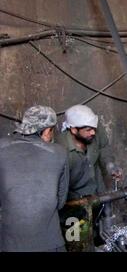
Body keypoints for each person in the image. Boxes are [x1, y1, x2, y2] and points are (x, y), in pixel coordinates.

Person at [0, 105, 69, 251]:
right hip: (49, 243)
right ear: (46, 131)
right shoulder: (59, 153)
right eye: (51, 131)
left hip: (9, 243)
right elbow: (61, 202)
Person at [58, 105, 120, 200]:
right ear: (74, 130)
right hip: (76, 199)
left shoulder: (94, 130)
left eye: (94, 129)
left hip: (99, 190)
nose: (93, 133)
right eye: (88, 130)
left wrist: (110, 164)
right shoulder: (61, 149)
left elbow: (103, 147)